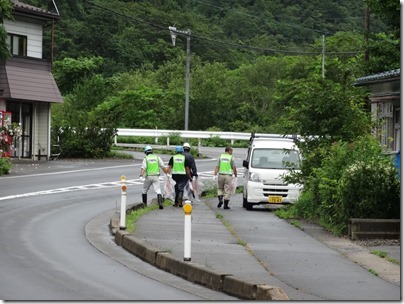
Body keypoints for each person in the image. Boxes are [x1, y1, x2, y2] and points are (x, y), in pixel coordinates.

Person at [140, 145, 168, 209]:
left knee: (144, 190)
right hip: (156, 176)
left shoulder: (146, 159)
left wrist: (141, 176)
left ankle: (144, 205)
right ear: (152, 151)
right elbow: (163, 167)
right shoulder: (157, 157)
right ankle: (160, 203)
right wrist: (167, 173)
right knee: (158, 190)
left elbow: (143, 168)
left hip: (148, 176)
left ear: (146, 152)